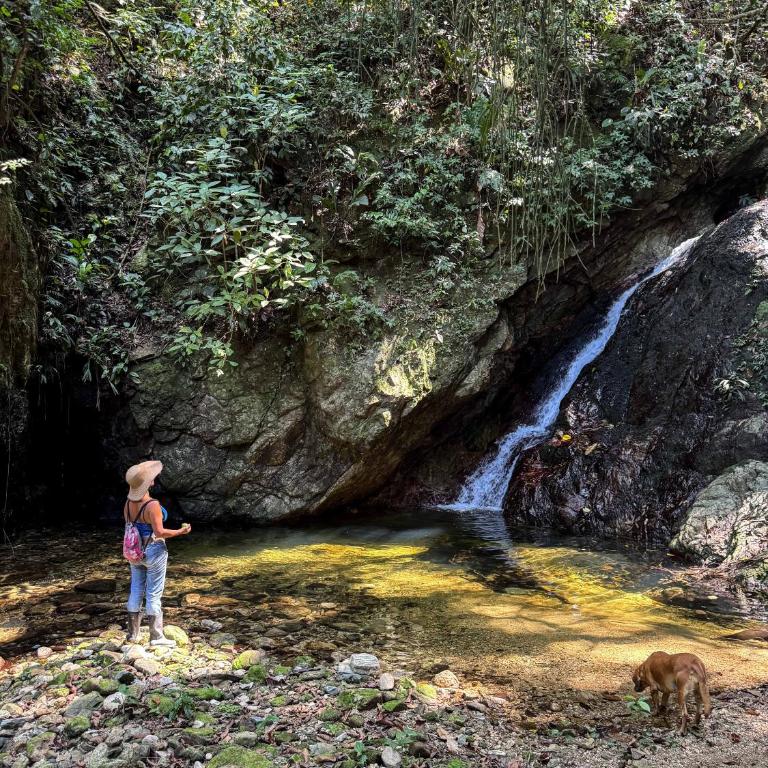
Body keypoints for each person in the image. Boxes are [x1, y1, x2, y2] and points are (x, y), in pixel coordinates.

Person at [124, 460, 191, 646]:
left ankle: (132, 635)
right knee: (153, 594)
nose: (153, 480)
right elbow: (160, 532)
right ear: (148, 484)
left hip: (134, 552)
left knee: (136, 590)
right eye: (151, 479)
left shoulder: (128, 503)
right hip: (154, 551)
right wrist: (180, 531)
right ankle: (156, 637)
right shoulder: (152, 504)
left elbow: (130, 527)